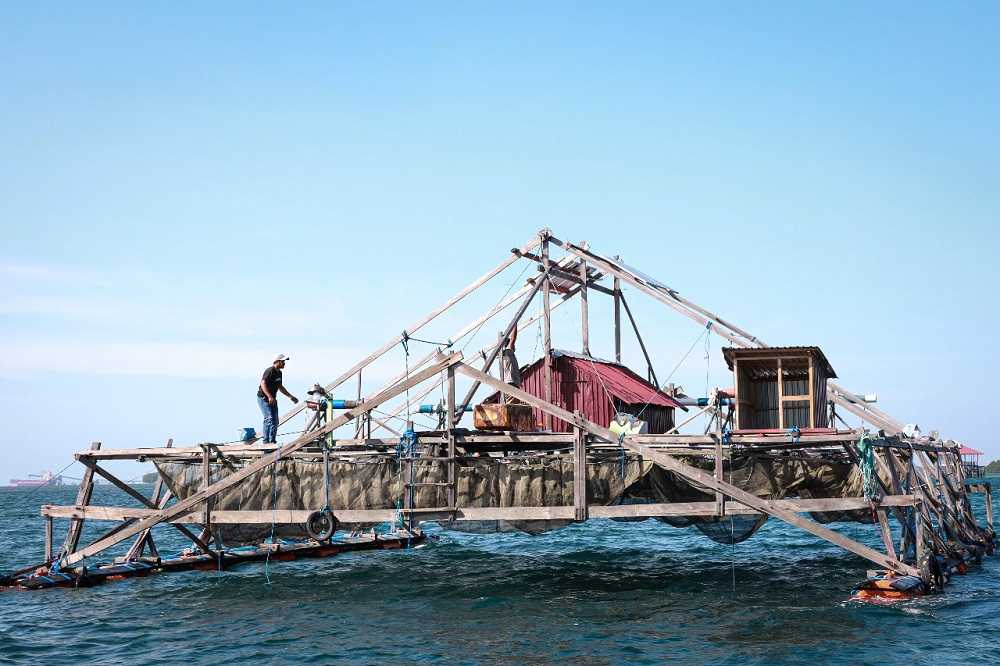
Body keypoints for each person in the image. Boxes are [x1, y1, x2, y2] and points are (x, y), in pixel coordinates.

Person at [257, 354, 299, 444]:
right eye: (283, 361)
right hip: (263, 398)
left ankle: (272, 441)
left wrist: (291, 396)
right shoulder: (270, 370)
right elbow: (262, 384)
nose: (284, 363)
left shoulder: (279, 373)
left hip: (272, 399)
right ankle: (266, 442)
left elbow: (280, 387)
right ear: (277, 361)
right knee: (269, 418)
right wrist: (269, 397)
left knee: (275, 420)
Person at [500, 327, 522, 403]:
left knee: (513, 406)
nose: (514, 346)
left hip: (510, 384)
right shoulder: (508, 352)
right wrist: (515, 323)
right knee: (512, 408)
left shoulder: (506, 357)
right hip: (511, 384)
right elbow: (513, 338)